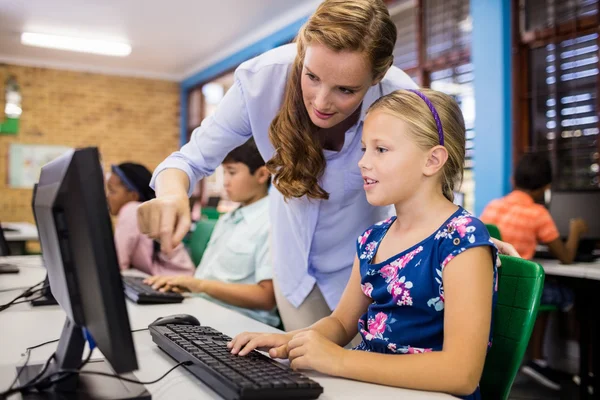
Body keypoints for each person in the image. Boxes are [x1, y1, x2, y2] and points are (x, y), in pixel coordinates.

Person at [137, 0, 517, 331]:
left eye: (346, 90)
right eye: (312, 77)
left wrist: (458, 236)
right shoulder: (261, 81)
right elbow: (187, 161)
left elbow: (430, 177)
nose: (321, 101)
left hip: (362, 265)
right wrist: (172, 196)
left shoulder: (401, 99)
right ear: (302, 52)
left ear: (376, 78)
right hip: (293, 266)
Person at [228, 89, 498, 399]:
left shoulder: (461, 242)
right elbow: (342, 322)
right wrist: (288, 342)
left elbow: (461, 374)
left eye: (381, 150)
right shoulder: (374, 239)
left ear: (432, 160)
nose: (363, 163)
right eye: (364, 149)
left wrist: (340, 359)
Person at [480, 152, 588, 390]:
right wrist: (577, 230)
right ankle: (569, 362)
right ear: (545, 188)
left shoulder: (493, 206)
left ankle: (536, 357)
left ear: (513, 181)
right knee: (567, 295)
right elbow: (566, 257)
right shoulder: (538, 213)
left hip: (492, 286)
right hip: (518, 289)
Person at [143, 139, 279, 327]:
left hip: (242, 321)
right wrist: (187, 285)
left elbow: (266, 298)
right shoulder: (228, 218)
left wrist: (199, 285)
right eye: (224, 173)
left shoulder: (272, 221)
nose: (226, 182)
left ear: (262, 174)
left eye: (232, 172)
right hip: (205, 308)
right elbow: (208, 277)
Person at [107, 163, 195, 276]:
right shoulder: (142, 212)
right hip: (181, 278)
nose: (107, 196)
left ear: (133, 196)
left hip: (176, 283)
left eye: (112, 191)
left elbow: (117, 263)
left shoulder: (131, 209)